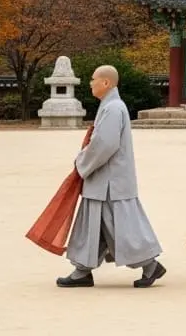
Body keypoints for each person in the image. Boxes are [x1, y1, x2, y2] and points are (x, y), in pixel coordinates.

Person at [57, 65, 167, 289]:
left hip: (109, 181)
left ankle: (149, 264)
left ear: (106, 83)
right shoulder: (110, 107)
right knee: (93, 225)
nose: (90, 83)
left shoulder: (114, 108)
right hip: (105, 179)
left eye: (93, 79)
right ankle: (82, 270)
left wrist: (82, 161)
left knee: (121, 227)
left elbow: (104, 144)